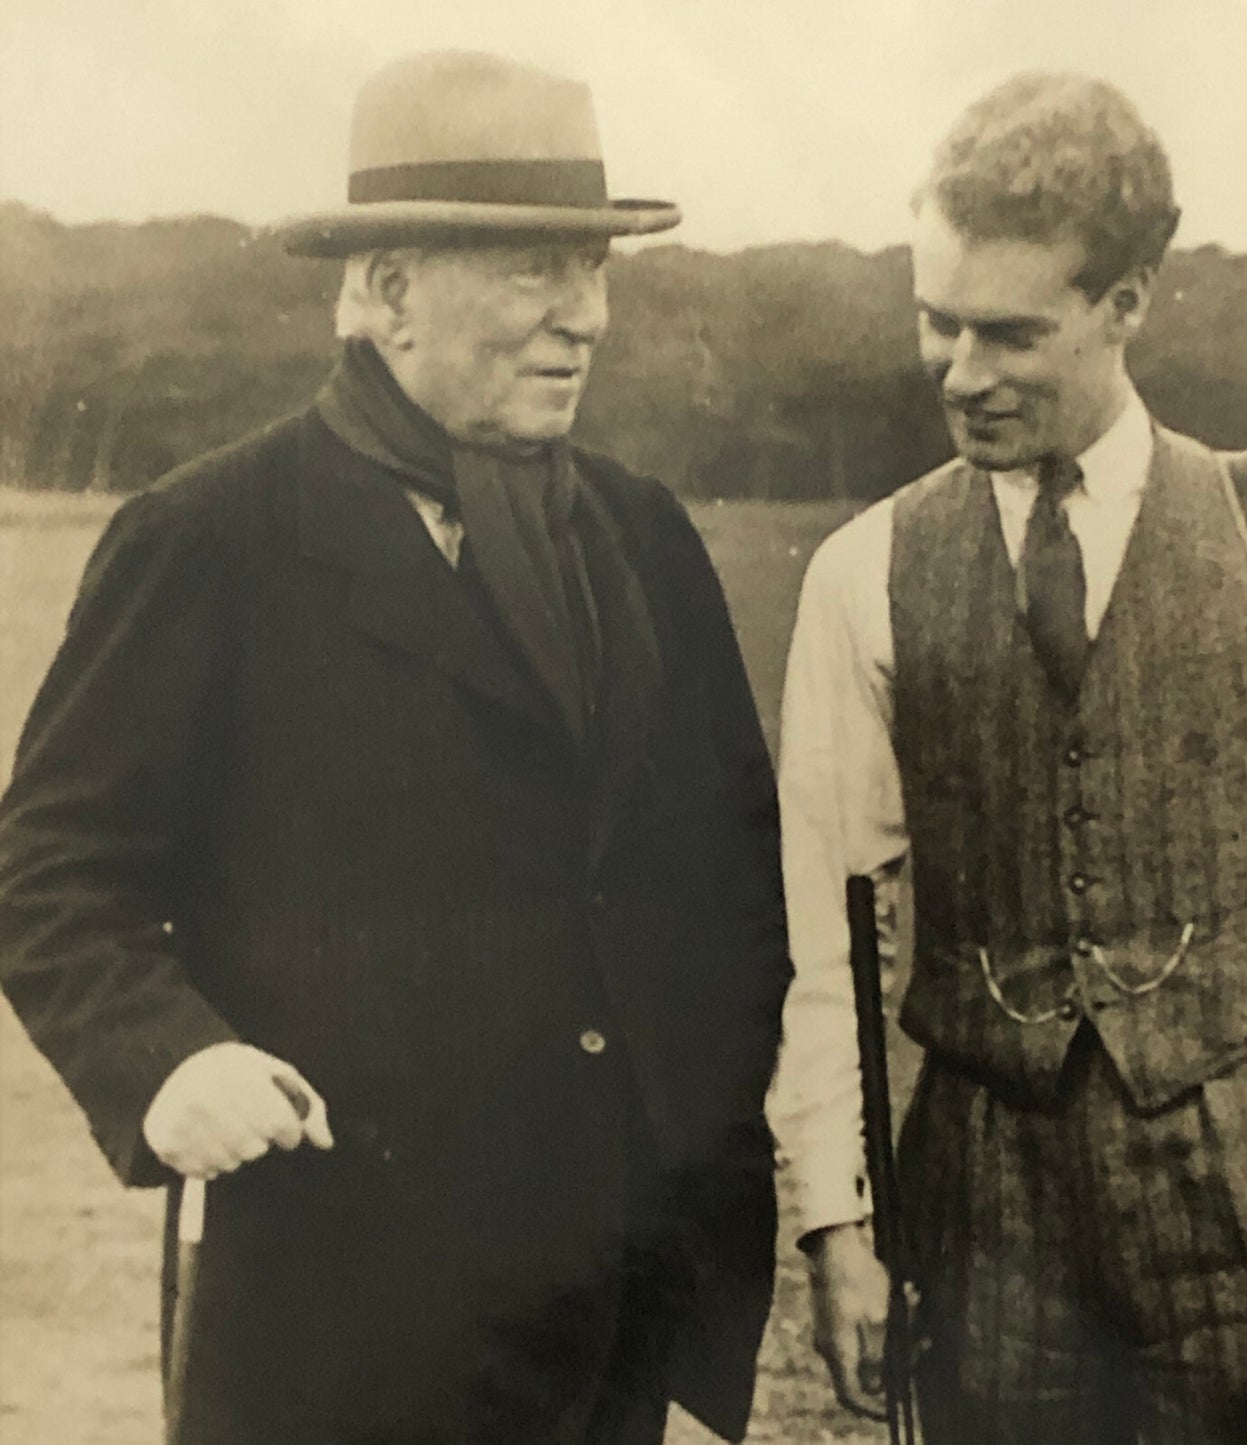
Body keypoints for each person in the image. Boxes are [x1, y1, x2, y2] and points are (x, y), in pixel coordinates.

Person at [0, 50, 790, 1445]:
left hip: (607, 1319)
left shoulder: (645, 536)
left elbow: (728, 884)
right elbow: (52, 869)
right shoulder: (210, 538)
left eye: (596, 270)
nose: (584, 317)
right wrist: (172, 1060)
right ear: (387, 290)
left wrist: (690, 1185)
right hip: (335, 1324)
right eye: (532, 271)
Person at [770, 72, 1247, 1443]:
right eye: (935, 321)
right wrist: (838, 1218)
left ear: (1127, 302)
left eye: (1010, 332)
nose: (961, 371)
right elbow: (826, 934)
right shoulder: (864, 573)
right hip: (987, 1222)